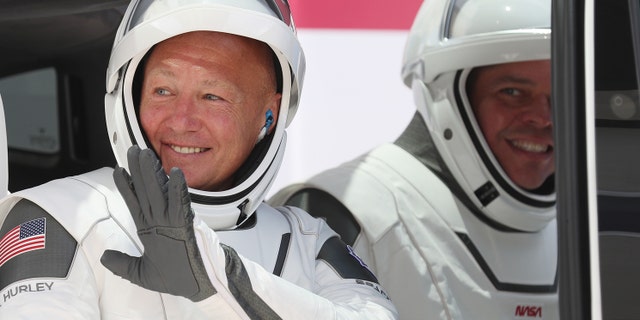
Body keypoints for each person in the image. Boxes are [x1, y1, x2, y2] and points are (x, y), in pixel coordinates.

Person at [0, 0, 397, 318]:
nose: (182, 120)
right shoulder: (60, 217)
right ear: (128, 96)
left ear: (269, 114)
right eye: (162, 90)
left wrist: (218, 278)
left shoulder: (308, 240)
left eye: (213, 96)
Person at [268, 0, 558, 318]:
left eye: (560, 94)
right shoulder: (340, 214)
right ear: (448, 95)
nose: (544, 118)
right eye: (513, 92)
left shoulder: (588, 227)